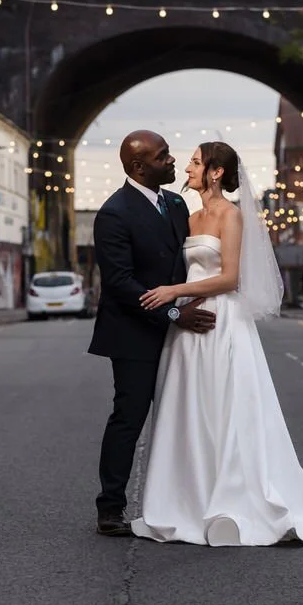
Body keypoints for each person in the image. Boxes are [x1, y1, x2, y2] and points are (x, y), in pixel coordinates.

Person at [132, 141, 303, 546]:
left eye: (196, 162)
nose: (187, 167)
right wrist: (179, 297)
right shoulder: (188, 215)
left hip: (223, 320)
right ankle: (188, 499)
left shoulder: (230, 215)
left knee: (228, 408)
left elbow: (230, 278)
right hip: (188, 323)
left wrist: (173, 290)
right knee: (190, 410)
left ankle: (235, 498)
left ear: (216, 172)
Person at [88, 130, 217, 537]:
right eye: (164, 157)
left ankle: (190, 501)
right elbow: (121, 283)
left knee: (187, 414)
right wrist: (174, 311)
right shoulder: (114, 213)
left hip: (183, 328)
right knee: (130, 417)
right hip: (135, 331)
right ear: (139, 167)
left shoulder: (176, 203)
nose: (173, 161)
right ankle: (110, 508)